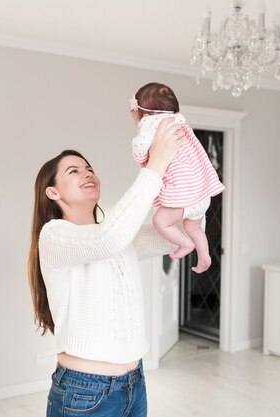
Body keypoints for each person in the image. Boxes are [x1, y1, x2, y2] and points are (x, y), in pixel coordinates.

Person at [28, 119, 186, 416]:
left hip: (134, 384)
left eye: (89, 169)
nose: (87, 174)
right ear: (53, 193)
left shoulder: (113, 231)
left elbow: (172, 234)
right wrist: (156, 164)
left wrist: (190, 189)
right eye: (73, 171)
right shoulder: (54, 235)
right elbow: (107, 239)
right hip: (84, 393)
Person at [129, 82, 225, 273]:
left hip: (184, 196)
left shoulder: (151, 123)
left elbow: (140, 151)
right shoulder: (178, 120)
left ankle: (186, 245)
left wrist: (138, 141)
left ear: (144, 114)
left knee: (160, 221)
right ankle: (204, 256)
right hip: (201, 195)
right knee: (195, 227)